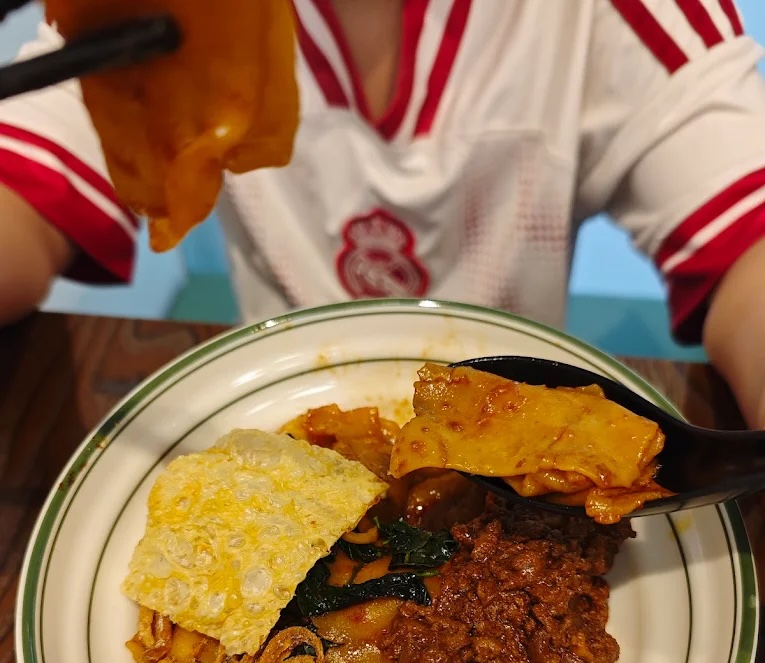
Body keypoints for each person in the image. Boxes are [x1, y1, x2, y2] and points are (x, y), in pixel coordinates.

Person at [1, 0, 765, 426]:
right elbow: (21, 202)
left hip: (510, 425)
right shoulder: (158, 18)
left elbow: (747, 240)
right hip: (276, 411)